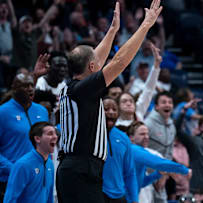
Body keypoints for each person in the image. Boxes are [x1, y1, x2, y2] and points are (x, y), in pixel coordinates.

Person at [56, 1, 162, 202]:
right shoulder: (83, 89)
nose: (99, 58)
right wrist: (145, 26)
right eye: (96, 60)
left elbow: (95, 60)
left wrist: (112, 31)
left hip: (77, 170)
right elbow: (119, 62)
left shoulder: (74, 87)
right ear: (92, 66)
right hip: (80, 170)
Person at [0, 73, 49, 201]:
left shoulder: (42, 111)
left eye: (31, 85)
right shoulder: (2, 113)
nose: (30, 89)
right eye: (25, 86)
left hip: (38, 179)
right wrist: (15, 169)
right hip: (9, 179)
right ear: (14, 88)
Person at [126, 121, 191, 193]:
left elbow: (141, 183)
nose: (146, 137)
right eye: (142, 134)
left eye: (147, 134)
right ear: (131, 137)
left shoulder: (139, 151)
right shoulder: (133, 149)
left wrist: (158, 174)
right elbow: (159, 163)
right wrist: (184, 170)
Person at [3, 122, 57, 203]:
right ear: (37, 139)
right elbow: (10, 199)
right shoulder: (23, 165)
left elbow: (49, 198)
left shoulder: (50, 164)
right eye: (50, 134)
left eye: (56, 134)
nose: (55, 137)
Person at [102, 97, 138, 203]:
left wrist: (134, 199)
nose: (111, 112)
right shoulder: (90, 135)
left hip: (119, 196)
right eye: (106, 109)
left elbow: (130, 172)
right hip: (97, 193)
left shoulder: (123, 138)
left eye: (114, 109)